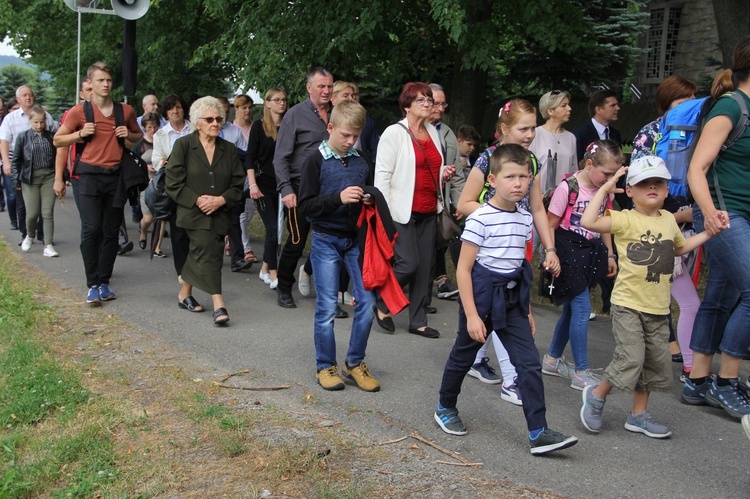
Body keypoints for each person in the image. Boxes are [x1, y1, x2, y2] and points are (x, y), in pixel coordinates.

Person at [435, 144, 578, 455]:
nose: (518, 183)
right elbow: (463, 270)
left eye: (524, 177)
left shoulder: (525, 218)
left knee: (528, 364)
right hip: (482, 297)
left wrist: (526, 309)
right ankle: (445, 406)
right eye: (510, 176)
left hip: (513, 301)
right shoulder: (480, 218)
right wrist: (472, 315)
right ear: (493, 180)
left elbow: (520, 268)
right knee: (463, 355)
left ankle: (538, 431)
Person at [579, 156, 721, 438]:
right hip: (628, 304)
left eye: (658, 182)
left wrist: (708, 233)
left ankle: (639, 415)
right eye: (644, 183)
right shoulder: (624, 219)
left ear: (667, 189)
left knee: (654, 362)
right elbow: (588, 221)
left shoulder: (669, 220)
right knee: (631, 357)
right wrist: (606, 189)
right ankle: (596, 395)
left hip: (658, 307)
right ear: (630, 191)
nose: (652, 187)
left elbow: (678, 249)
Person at [457, 100, 560, 405]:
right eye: (523, 128)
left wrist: (550, 248)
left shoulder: (533, 162)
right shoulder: (486, 161)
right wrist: (498, 216)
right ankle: (511, 378)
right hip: (487, 243)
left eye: (532, 128)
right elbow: (463, 204)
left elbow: (538, 208)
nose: (530, 134)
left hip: (519, 242)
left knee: (504, 305)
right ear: (505, 129)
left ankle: (475, 359)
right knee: (502, 307)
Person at [682, 36, 750, 420]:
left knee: (720, 297)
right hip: (725, 213)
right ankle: (726, 383)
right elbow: (697, 168)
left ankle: (698, 381)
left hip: (743, 214)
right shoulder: (730, 107)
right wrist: (708, 213)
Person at [298, 99, 380, 392]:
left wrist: (368, 199)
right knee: (328, 307)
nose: (350, 141)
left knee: (368, 303)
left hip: (356, 241)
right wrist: (338, 198)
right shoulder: (314, 160)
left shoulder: (361, 160)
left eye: (355, 135)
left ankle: (354, 363)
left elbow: (368, 194)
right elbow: (305, 206)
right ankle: (325, 365)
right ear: (330, 127)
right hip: (324, 240)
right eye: (345, 135)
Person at [53, 62, 142, 305]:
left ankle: (104, 281)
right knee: (92, 229)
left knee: (111, 231)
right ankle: (92, 284)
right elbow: (58, 140)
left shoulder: (125, 110)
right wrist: (80, 134)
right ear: (89, 83)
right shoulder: (79, 112)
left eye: (108, 81)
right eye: (100, 80)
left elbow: (138, 136)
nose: (105, 84)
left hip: (116, 176)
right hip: (89, 176)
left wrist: (128, 135)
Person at [373, 82, 455, 339]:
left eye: (429, 99)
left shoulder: (432, 131)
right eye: (420, 100)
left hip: (430, 209)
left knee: (425, 268)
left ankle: (418, 320)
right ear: (406, 105)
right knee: (408, 264)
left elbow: (426, 167)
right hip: (401, 212)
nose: (427, 103)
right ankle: (383, 306)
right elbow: (382, 177)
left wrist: (444, 173)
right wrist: (384, 215)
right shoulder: (393, 133)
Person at [631, 75, 699, 381]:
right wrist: (679, 216)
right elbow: (641, 188)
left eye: (693, 100)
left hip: (686, 225)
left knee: (667, 302)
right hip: (658, 228)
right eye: (683, 102)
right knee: (680, 302)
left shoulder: (698, 132)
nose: (690, 107)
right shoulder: (651, 134)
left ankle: (678, 361)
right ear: (667, 104)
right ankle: (687, 367)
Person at [541, 140, 621, 391]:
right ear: (589, 164)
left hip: (590, 253)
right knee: (582, 307)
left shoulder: (604, 191)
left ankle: (552, 360)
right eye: (607, 174)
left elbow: (605, 221)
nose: (610, 180)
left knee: (571, 309)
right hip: (567, 251)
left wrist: (610, 254)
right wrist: (550, 253)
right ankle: (581, 371)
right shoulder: (568, 188)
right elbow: (551, 224)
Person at [165, 96, 245, 325]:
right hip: (192, 214)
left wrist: (220, 200)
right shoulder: (184, 145)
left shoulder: (229, 150)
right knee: (208, 251)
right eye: (209, 119)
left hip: (220, 214)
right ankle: (219, 303)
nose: (215, 123)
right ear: (197, 122)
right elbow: (173, 182)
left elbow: (238, 184)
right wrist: (198, 200)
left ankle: (184, 294)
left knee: (202, 252)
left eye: (219, 119)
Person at [273, 66, 333, 308]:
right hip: (299, 188)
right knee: (297, 240)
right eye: (321, 86)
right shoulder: (295, 115)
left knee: (329, 241)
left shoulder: (338, 113)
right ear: (309, 88)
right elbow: (280, 157)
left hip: (329, 187)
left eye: (330, 86)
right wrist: (286, 189)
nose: (326, 91)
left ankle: (328, 295)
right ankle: (284, 286)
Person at [1, 86, 56, 242]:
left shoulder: (46, 116)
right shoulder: (10, 118)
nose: (28, 98)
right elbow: (4, 141)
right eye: (24, 95)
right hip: (20, 164)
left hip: (44, 166)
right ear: (18, 99)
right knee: (22, 202)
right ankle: (26, 234)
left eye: (30, 95)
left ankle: (43, 235)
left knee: (44, 206)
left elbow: (56, 136)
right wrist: (6, 162)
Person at [426, 83, 464, 301]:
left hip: (440, 200)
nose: (440, 108)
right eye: (436, 103)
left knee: (440, 240)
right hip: (415, 200)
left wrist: (459, 202)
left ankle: (437, 284)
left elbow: (458, 174)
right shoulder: (410, 130)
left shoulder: (448, 133)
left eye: (443, 104)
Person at [247, 88, 286, 290]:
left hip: (283, 185)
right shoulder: (258, 127)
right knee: (272, 228)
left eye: (284, 100)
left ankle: (264, 268)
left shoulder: (288, 126)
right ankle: (274, 273)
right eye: (277, 100)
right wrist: (252, 184)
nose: (282, 103)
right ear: (268, 103)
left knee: (278, 230)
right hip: (263, 185)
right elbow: (250, 158)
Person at [152, 93, 194, 281]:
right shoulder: (160, 135)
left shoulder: (195, 129)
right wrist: (168, 161)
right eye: (170, 108)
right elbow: (155, 161)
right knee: (178, 232)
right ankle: (182, 273)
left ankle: (197, 268)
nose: (175, 111)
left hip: (197, 184)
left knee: (197, 231)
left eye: (178, 107)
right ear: (165, 113)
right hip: (175, 188)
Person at [10, 105, 58, 257]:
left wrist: (61, 178)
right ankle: (30, 236)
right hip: (30, 178)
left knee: (47, 212)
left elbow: (58, 158)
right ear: (30, 121)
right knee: (32, 214)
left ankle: (48, 245)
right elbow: (16, 160)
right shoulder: (23, 137)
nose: (39, 125)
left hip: (49, 177)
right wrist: (16, 181)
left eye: (42, 122)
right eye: (36, 122)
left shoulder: (51, 136)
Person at [55, 78, 94, 211]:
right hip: (80, 174)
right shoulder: (74, 113)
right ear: (81, 94)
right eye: (89, 90)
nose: (93, 93)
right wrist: (59, 178)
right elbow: (62, 146)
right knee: (89, 223)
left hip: (109, 175)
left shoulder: (113, 112)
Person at [530, 90, 578, 193]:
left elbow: (574, 172)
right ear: (550, 111)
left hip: (563, 198)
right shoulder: (535, 134)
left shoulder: (571, 138)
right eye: (564, 105)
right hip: (539, 196)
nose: (569, 109)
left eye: (568, 105)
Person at [133, 112, 166, 256]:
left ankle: (157, 247)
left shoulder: (164, 142)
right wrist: (144, 166)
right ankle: (144, 231)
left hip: (162, 185)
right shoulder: (139, 145)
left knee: (162, 217)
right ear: (144, 128)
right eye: (150, 127)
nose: (153, 130)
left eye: (156, 127)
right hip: (146, 185)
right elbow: (132, 162)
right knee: (148, 218)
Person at [572, 89, 622, 161]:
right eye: (612, 105)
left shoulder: (615, 134)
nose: (617, 108)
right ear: (598, 109)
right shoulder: (580, 135)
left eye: (617, 105)